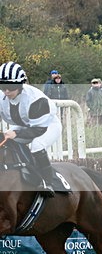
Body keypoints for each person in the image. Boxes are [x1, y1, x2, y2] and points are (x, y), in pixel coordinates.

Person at [0, 61, 61, 197]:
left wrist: (16, 133)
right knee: (6, 139)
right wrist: (13, 134)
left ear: (20, 85)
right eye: (3, 86)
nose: (6, 91)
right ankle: (23, 168)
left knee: (37, 146)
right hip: (26, 124)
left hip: (47, 125)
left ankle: (48, 182)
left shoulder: (36, 100)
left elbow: (38, 130)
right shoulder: (1, 96)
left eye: (11, 87)